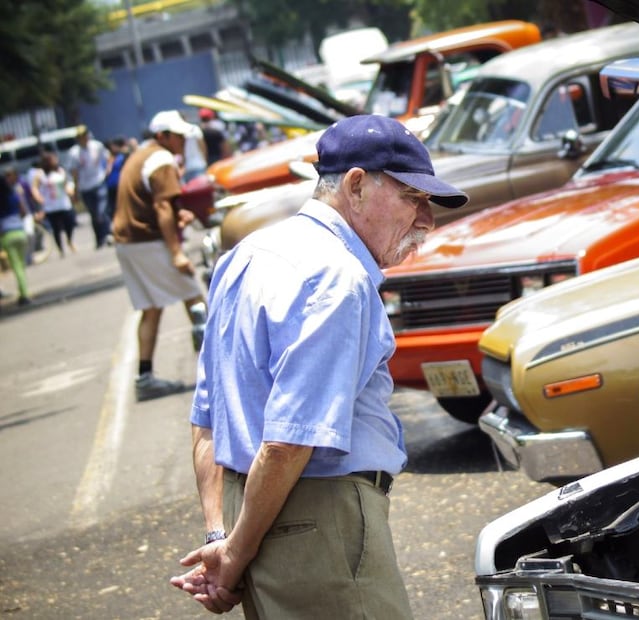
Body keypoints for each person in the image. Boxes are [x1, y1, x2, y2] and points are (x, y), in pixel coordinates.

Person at [169, 115, 468, 618]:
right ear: (355, 185)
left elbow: (206, 420)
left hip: (255, 513)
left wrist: (222, 536)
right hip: (318, 523)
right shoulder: (339, 278)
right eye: (412, 199)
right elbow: (287, 442)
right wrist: (234, 556)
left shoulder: (246, 254)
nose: (426, 220)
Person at [111, 110, 208, 402]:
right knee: (196, 300)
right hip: (147, 241)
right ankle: (223, 368)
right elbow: (162, 208)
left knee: (152, 308)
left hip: (129, 241)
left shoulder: (141, 155)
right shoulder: (162, 159)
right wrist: (177, 253)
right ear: (162, 136)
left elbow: (154, 204)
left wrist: (178, 215)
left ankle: (144, 376)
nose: (182, 141)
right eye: (177, 136)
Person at [68, 126, 112, 248]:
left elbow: (108, 158)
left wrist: (107, 170)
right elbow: (74, 173)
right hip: (85, 187)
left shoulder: (96, 146)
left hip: (99, 181)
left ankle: (108, 234)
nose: (83, 139)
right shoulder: (74, 153)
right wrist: (76, 190)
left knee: (101, 211)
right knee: (93, 215)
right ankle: (99, 238)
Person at [30, 150, 77, 258]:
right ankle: (60, 249)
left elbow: (65, 184)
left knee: (70, 222)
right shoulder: (40, 174)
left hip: (64, 203)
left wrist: (71, 192)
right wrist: (39, 198)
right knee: (56, 228)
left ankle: (69, 240)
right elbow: (34, 188)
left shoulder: (60, 171)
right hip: (50, 206)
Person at [1, 168, 32, 305]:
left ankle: (24, 295)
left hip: (6, 234)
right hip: (20, 231)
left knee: (16, 266)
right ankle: (24, 291)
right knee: (21, 265)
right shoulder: (14, 195)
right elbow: (24, 211)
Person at [104, 135, 129, 221]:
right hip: (111, 187)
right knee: (113, 208)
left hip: (120, 185)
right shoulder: (110, 158)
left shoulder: (122, 156)